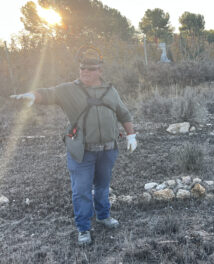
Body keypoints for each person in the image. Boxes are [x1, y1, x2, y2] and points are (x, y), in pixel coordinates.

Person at [10, 46, 137, 245]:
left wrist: (131, 136)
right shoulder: (69, 90)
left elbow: (124, 114)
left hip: (108, 150)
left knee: (103, 187)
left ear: (100, 71)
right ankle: (84, 228)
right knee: (81, 190)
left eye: (91, 69)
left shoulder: (110, 90)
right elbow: (48, 93)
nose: (85, 72)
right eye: (82, 69)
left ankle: (103, 216)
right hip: (82, 152)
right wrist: (33, 96)